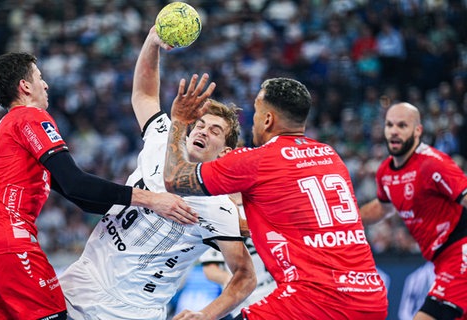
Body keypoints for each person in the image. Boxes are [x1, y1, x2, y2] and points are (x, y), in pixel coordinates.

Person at [0, 52, 197, 320]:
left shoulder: (4, 129)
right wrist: (151, 199)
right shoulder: (29, 116)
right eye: (40, 78)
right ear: (25, 86)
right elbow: (77, 183)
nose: (45, 85)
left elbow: (78, 197)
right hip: (4, 242)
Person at [59, 27, 256, 320]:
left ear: (225, 153)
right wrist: (152, 42)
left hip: (131, 313)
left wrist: (207, 314)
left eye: (215, 131)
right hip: (77, 284)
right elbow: (144, 94)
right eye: (200, 124)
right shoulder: (163, 139)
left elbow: (245, 277)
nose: (203, 130)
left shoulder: (219, 209)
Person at [163, 75, 389, 319]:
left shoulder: (255, 160)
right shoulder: (330, 156)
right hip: (370, 298)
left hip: (313, 299)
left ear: (268, 119)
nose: (253, 122)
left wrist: (178, 120)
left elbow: (174, 178)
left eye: (256, 113)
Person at [359, 102, 467, 320]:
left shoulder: (433, 164)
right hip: (440, 260)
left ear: (418, 130)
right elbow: (383, 208)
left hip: (459, 252)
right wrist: (342, 220)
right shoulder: (385, 172)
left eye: (402, 125)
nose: (394, 131)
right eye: (389, 125)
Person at [199, 193, 276, 319]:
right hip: (243, 299)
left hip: (275, 290)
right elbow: (210, 269)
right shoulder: (214, 214)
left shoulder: (264, 205)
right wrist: (228, 279)